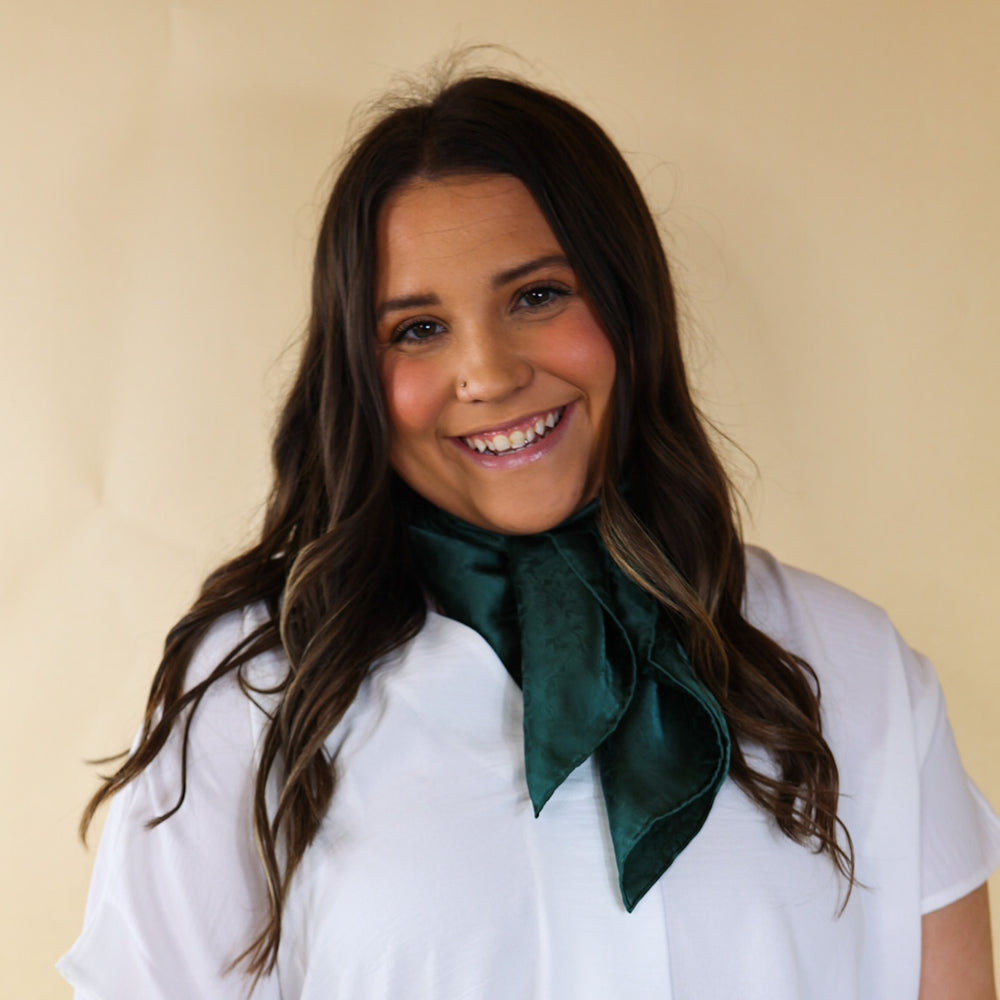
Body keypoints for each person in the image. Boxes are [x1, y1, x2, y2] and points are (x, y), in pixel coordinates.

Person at [59, 73, 1000, 999]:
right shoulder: (256, 693)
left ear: (629, 307)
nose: (488, 372)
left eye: (538, 297)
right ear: (357, 372)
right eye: (418, 328)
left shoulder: (853, 667)